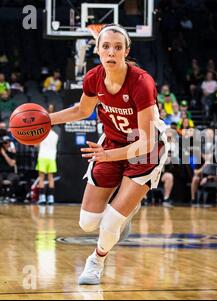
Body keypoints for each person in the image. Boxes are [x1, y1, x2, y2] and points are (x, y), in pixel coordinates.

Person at [48, 24, 169, 285]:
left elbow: (146, 143)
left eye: (117, 47)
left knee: (112, 221)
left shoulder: (141, 82)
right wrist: (47, 120)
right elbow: (81, 110)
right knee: (87, 223)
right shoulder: (93, 77)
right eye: (105, 46)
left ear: (127, 51)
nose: (111, 52)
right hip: (112, 143)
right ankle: (124, 208)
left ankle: (96, 261)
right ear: (98, 50)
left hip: (144, 149)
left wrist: (108, 156)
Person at [36, 106, 59, 205]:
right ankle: (51, 199)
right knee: (51, 178)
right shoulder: (56, 135)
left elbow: (35, 145)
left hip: (42, 157)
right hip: (51, 158)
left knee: (41, 178)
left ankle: (42, 198)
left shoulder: (42, 134)